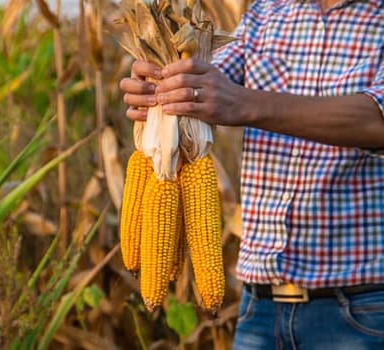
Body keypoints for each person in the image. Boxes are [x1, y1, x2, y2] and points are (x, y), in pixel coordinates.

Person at [119, 0, 384, 347]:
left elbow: (375, 120)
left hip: (359, 312)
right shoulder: (266, 13)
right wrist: (160, 87)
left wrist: (244, 102)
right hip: (258, 310)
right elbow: (207, 79)